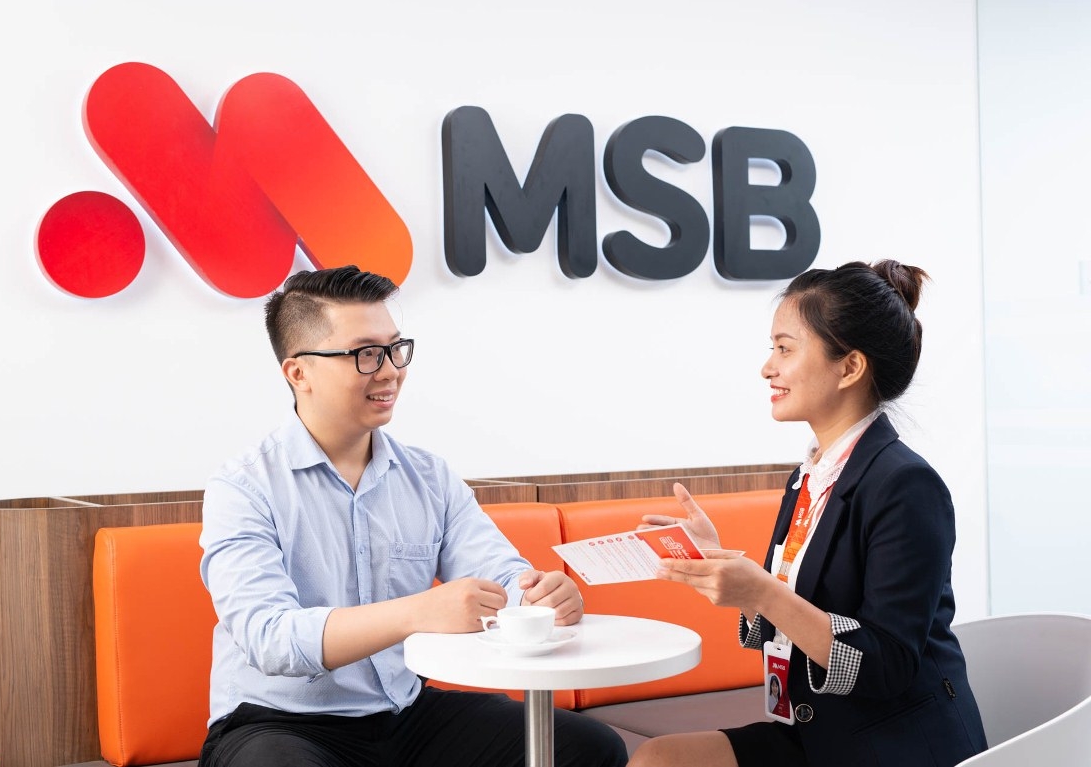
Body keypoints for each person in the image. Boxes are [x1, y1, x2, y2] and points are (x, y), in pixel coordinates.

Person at [197, 266, 628, 767]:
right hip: (280, 722)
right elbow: (269, 637)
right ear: (299, 373)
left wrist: (539, 598)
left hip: (405, 714)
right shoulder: (244, 487)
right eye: (365, 354)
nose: (389, 372)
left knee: (590, 748)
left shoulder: (429, 477)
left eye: (395, 349)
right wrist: (418, 612)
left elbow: (500, 575)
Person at [628, 261, 987, 767]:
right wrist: (719, 559)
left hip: (891, 745)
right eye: (771, 349)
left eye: (785, 348)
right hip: (819, 732)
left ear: (850, 367)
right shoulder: (810, 476)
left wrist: (761, 591)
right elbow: (792, 612)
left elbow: (886, 666)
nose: (767, 368)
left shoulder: (906, 486)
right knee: (658, 758)